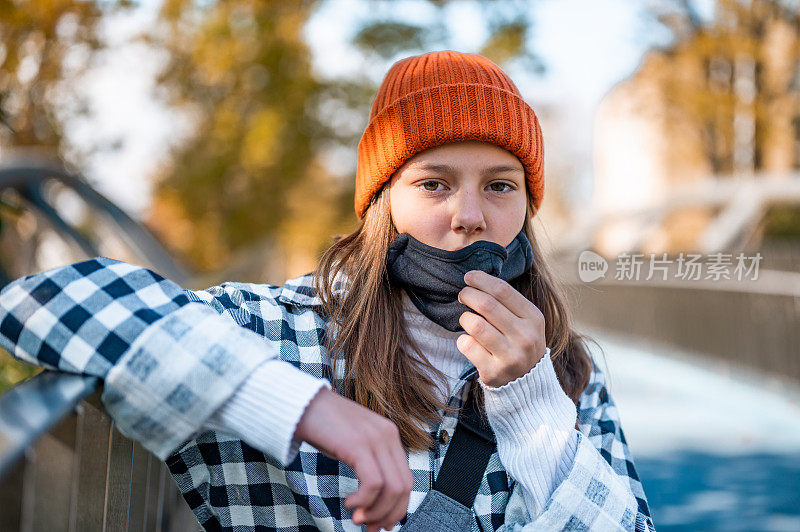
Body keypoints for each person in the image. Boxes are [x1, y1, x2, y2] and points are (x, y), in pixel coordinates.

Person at [0, 50, 655, 531]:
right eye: (433, 183)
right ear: (382, 202)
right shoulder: (274, 331)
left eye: (500, 184)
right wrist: (295, 404)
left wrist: (533, 409)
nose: (470, 215)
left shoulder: (567, 370)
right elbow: (34, 303)